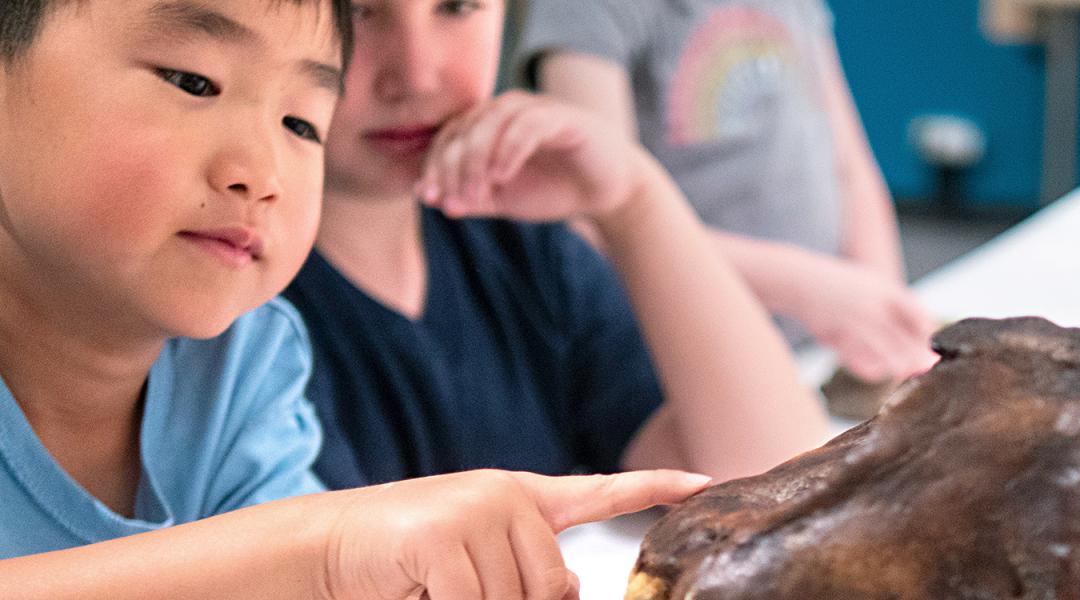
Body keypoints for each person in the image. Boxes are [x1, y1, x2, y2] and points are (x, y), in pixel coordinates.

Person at [0, 1, 706, 597]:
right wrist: (327, 549)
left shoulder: (245, 361)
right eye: (193, 80)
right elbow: (311, 556)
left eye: (302, 123)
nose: (263, 172)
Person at [281, 0, 830, 490]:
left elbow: (776, 482)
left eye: (457, 7)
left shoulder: (524, 250)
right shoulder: (244, 307)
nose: (416, 76)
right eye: (356, 12)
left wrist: (634, 203)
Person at [520, 0, 939, 383]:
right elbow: (596, 225)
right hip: (693, 372)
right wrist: (810, 289)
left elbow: (849, 166)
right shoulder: (584, 9)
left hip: (825, 344)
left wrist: (883, 306)